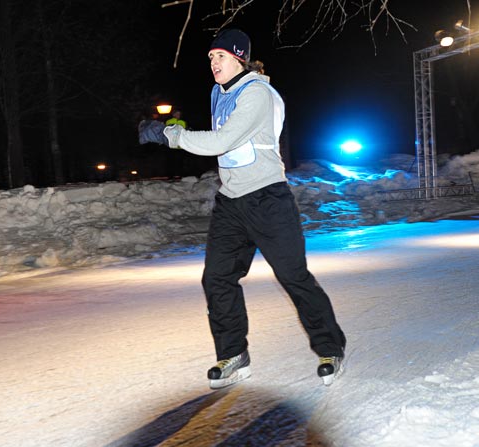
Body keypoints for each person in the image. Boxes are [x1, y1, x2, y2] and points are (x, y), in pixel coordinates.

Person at [148, 29, 346, 389]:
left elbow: (223, 140)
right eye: (210, 58)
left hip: (268, 199)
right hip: (231, 202)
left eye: (219, 56)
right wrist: (177, 127)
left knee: (293, 276)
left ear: (239, 57)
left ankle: (330, 348)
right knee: (217, 278)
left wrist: (170, 137)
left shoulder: (258, 93)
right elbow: (223, 141)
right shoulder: (218, 93)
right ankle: (233, 355)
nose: (212, 63)